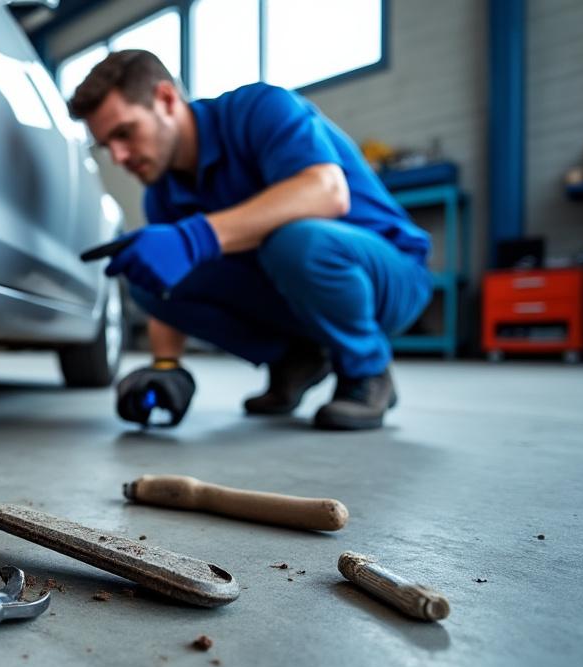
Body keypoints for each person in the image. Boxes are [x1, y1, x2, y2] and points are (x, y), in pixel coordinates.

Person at [69, 50, 432, 430]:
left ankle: (367, 371)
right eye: (107, 145)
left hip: (388, 278)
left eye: (125, 133)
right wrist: (166, 367)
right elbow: (167, 283)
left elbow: (326, 192)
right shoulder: (162, 193)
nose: (120, 157)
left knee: (297, 241)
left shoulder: (259, 110)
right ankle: (296, 360)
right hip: (293, 289)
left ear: (166, 99)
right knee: (148, 281)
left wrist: (197, 237)